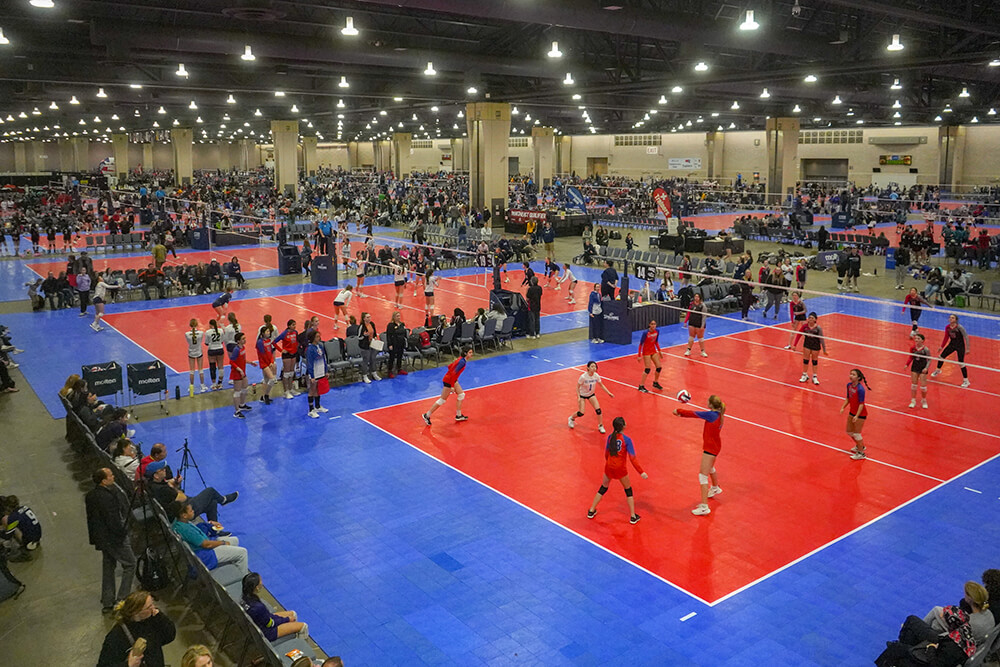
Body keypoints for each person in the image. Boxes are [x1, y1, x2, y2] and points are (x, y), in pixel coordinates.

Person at [85, 468, 135, 613]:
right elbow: (113, 521)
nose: (113, 477)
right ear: (104, 480)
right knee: (130, 564)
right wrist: (123, 532)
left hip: (101, 539)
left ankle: (108, 600)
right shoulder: (108, 498)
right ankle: (122, 599)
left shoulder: (91, 495)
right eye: (110, 475)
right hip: (114, 539)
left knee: (108, 566)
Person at [586, 416, 647, 524]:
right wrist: (641, 472)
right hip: (620, 468)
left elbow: (606, 453)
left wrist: (609, 463)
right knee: (628, 490)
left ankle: (591, 510)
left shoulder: (610, 437)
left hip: (609, 466)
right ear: (624, 426)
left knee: (603, 488)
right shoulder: (627, 440)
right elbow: (632, 458)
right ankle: (633, 516)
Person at [673, 394, 726, 516]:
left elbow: (694, 414)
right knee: (710, 468)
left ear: (711, 405)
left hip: (710, 448)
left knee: (702, 475)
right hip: (716, 446)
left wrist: (678, 411)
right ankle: (715, 488)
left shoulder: (711, 415)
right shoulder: (719, 415)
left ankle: (704, 506)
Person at [97, 590, 176, 667]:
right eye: (149, 607)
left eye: (152, 604)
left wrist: (160, 617)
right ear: (136, 613)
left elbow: (170, 636)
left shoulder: (153, 619)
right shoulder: (116, 636)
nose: (153, 608)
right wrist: (128, 665)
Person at [171, 502, 249, 577]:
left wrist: (209, 524)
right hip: (206, 554)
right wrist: (222, 543)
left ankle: (233, 570)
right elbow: (207, 544)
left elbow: (198, 533)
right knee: (242, 553)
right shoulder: (187, 530)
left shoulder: (178, 523)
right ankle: (244, 582)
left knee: (235, 540)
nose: (193, 511)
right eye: (191, 511)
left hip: (202, 548)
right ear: (184, 515)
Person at [145, 461, 237, 523]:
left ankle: (214, 529)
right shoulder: (163, 490)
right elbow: (183, 497)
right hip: (183, 512)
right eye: (161, 470)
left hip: (176, 509)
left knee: (212, 502)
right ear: (156, 475)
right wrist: (175, 486)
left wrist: (171, 484)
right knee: (210, 491)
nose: (164, 469)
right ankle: (223, 500)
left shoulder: (151, 484)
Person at [240, 572, 308, 641]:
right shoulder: (258, 607)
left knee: (293, 614)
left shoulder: (244, 597)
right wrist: (287, 619)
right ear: (257, 587)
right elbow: (271, 624)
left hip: (260, 622)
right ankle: (301, 645)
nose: (262, 583)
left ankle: (293, 638)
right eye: (261, 581)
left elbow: (267, 617)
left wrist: (285, 618)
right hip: (267, 632)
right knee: (303, 626)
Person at [925, 581, 992, 645]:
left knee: (935, 621)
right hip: (978, 644)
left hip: (961, 644)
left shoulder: (970, 623)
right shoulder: (989, 614)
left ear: (969, 598)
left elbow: (954, 636)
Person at [422, 345, 473, 425]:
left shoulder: (460, 360)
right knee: (442, 400)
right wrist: (452, 386)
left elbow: (450, 367)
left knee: (461, 394)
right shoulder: (462, 362)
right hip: (449, 381)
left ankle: (458, 415)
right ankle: (427, 415)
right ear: (465, 353)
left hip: (452, 380)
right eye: (470, 353)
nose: (471, 354)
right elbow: (453, 373)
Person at [568, 361, 614, 433]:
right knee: (581, 413)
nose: (594, 368)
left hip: (591, 394)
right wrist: (579, 397)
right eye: (592, 366)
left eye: (595, 366)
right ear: (588, 368)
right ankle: (571, 418)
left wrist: (609, 393)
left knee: (598, 410)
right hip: (582, 395)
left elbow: (601, 385)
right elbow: (577, 387)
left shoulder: (596, 376)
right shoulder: (583, 377)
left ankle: (600, 426)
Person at [931, 314, 971, 388]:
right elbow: (946, 337)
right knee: (941, 357)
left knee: (961, 363)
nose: (951, 319)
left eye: (953, 318)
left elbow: (966, 337)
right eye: (950, 317)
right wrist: (941, 347)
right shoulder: (948, 327)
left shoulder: (959, 327)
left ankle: (966, 381)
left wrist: (968, 348)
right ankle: (938, 370)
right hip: (952, 344)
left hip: (960, 346)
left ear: (956, 320)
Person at [840, 368, 870, 460]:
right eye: (850, 374)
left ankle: (861, 453)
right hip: (852, 412)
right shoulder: (849, 385)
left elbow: (861, 404)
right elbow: (848, 398)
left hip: (860, 414)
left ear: (858, 378)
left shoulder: (860, 389)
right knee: (849, 431)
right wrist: (843, 407)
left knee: (857, 434)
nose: (851, 376)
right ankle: (859, 445)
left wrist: (857, 416)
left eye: (853, 374)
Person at [793, 312, 827, 385]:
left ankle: (814, 377)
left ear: (815, 320)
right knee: (806, 360)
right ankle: (804, 375)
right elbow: (799, 334)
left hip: (815, 346)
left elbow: (822, 339)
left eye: (812, 318)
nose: (810, 319)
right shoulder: (805, 326)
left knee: (814, 361)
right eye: (809, 318)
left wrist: (824, 349)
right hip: (807, 345)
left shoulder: (818, 328)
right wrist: (795, 345)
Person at [228, 331, 255, 419]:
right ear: (238, 341)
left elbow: (242, 359)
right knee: (237, 392)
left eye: (245, 338)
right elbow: (231, 361)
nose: (245, 340)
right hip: (237, 373)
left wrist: (250, 362)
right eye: (243, 339)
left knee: (245, 388)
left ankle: (242, 404)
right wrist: (239, 369)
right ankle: (237, 411)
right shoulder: (236, 350)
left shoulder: (242, 348)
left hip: (243, 372)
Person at [272, 320, 300, 400]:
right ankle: (286, 391)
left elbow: (297, 341)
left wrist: (296, 348)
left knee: (291, 372)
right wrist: (281, 350)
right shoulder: (285, 333)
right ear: (289, 326)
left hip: (293, 354)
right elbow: (274, 342)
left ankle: (291, 389)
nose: (294, 326)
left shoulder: (295, 332)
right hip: (286, 355)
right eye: (293, 325)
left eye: (295, 324)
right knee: (286, 373)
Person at [304, 329, 329, 418]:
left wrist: (325, 370)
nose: (319, 338)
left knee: (318, 389)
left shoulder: (320, 346)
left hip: (321, 371)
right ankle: (311, 410)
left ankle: (317, 406)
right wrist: (312, 376)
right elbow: (310, 363)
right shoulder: (310, 349)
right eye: (317, 336)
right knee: (312, 390)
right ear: (313, 338)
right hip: (314, 372)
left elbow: (324, 359)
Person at [905, 332, 932, 409]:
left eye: (918, 338)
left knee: (923, 386)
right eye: (916, 338)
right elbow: (911, 357)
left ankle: (924, 400)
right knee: (914, 385)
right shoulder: (913, 348)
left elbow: (929, 359)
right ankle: (913, 401)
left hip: (923, 368)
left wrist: (926, 368)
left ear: (922, 340)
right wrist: (907, 365)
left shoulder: (926, 349)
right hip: (915, 367)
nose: (916, 340)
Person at [636, 320, 663, 393]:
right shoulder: (645, 333)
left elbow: (656, 342)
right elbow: (641, 344)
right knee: (647, 369)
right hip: (646, 352)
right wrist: (639, 355)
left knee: (659, 367)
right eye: (652, 324)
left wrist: (660, 351)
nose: (653, 325)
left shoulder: (657, 331)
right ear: (649, 325)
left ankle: (655, 382)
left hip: (653, 351)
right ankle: (641, 386)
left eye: (654, 324)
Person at [254, 324, 278, 405]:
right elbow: (262, 355)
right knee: (272, 379)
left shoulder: (268, 341)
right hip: (264, 363)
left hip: (269, 362)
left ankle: (262, 396)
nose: (269, 332)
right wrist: (269, 363)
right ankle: (266, 395)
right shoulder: (260, 342)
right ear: (263, 333)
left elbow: (271, 352)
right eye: (267, 331)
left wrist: (271, 361)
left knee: (266, 380)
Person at [185, 318, 207, 395]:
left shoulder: (187, 334)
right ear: (197, 324)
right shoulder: (201, 333)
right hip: (199, 352)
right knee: (200, 369)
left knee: (192, 370)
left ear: (190, 325)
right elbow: (200, 341)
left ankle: (191, 386)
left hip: (191, 352)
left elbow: (188, 342)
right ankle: (202, 385)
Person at [204, 319, 226, 390]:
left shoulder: (208, 332)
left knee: (212, 367)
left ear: (210, 325)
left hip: (211, 350)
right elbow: (222, 341)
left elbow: (206, 343)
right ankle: (220, 383)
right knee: (220, 366)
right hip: (220, 349)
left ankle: (213, 384)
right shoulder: (221, 330)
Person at [684, 292, 708, 357]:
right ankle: (688, 350)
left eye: (697, 297)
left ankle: (702, 351)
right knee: (691, 337)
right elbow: (688, 313)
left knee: (700, 338)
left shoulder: (703, 305)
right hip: (692, 322)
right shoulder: (691, 304)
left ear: (700, 298)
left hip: (699, 323)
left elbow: (704, 316)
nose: (696, 298)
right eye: (695, 296)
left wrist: (702, 325)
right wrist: (685, 321)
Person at [385, 310, 408, 379]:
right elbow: (388, 335)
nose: (399, 317)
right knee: (392, 358)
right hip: (394, 343)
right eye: (397, 316)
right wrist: (390, 344)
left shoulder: (402, 324)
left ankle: (399, 369)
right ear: (394, 317)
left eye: (399, 316)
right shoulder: (390, 325)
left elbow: (404, 333)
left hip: (401, 343)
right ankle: (390, 371)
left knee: (399, 356)